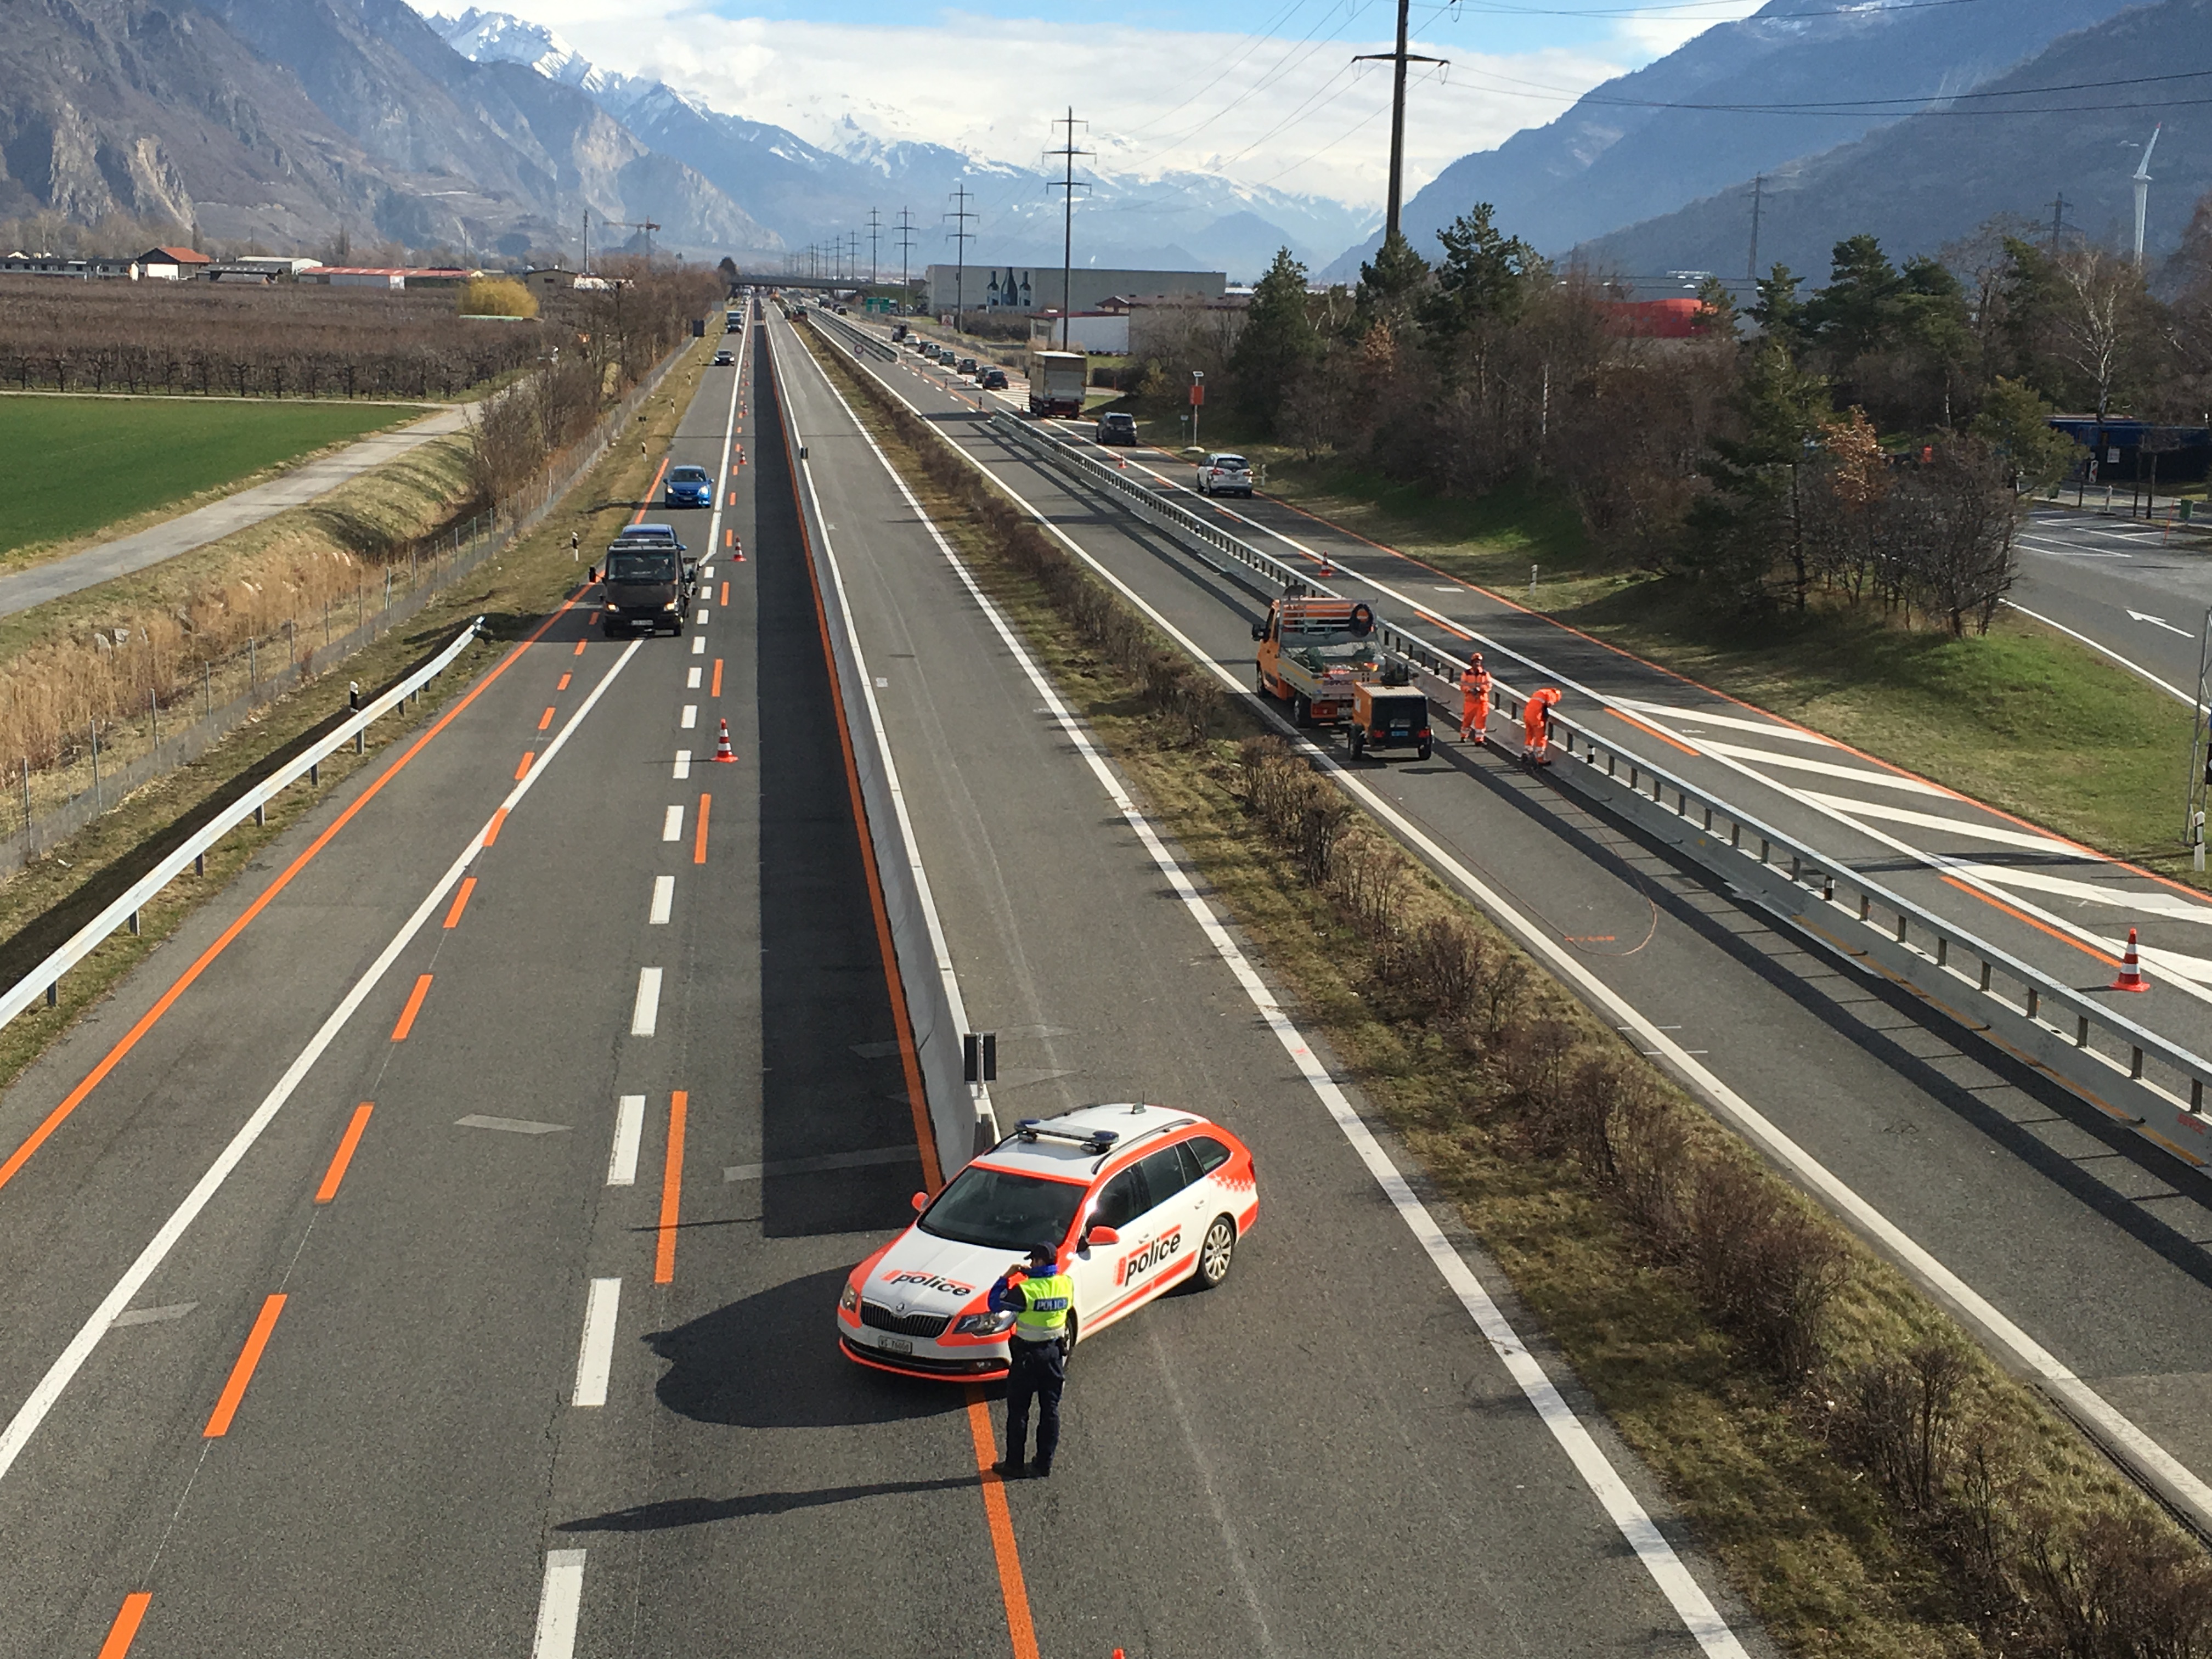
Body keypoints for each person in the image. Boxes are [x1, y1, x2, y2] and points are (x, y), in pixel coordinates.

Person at [991, 1242, 1072, 1480]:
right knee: (1050, 1410)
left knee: (1019, 1412)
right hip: (1055, 1356)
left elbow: (995, 1303)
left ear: (1037, 1262)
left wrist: (1008, 1275)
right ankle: (1043, 1464)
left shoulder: (1026, 1290)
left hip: (1027, 1357)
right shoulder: (1066, 1284)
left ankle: (1014, 1465)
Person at [1522, 686, 1563, 765]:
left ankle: (1527, 752)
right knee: (1540, 737)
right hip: (1536, 717)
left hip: (1527, 714)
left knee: (1529, 734)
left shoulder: (1540, 692)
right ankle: (1540, 758)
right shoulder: (1552, 695)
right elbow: (1549, 703)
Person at [1460, 656, 1491, 744]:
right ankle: (1464, 736)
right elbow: (1463, 686)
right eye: (1475, 662)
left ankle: (1479, 740)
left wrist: (1480, 689)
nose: (1477, 664)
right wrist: (1469, 690)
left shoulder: (1485, 674)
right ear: (1472, 663)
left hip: (1482, 702)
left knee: (1481, 722)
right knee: (1467, 720)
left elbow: (1488, 686)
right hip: (1470, 701)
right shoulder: (1466, 673)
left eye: (1479, 662)